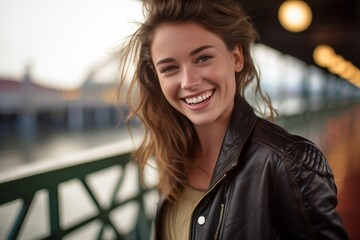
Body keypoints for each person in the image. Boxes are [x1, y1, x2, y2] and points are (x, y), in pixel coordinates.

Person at [117, 0, 349, 239]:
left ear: (236, 57)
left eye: (203, 58)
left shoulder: (288, 162)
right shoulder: (173, 156)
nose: (188, 82)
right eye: (169, 68)